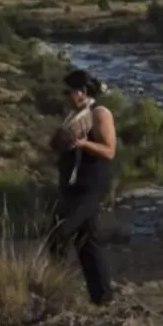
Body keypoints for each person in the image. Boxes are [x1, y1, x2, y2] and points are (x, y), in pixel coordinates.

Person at [48, 69, 116, 306]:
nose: (66, 95)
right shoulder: (75, 115)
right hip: (73, 185)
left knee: (59, 232)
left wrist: (83, 143)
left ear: (82, 92)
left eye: (69, 91)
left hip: (90, 186)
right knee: (87, 241)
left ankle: (54, 288)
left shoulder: (99, 113)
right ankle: (102, 296)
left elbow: (109, 150)